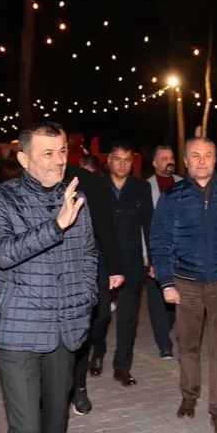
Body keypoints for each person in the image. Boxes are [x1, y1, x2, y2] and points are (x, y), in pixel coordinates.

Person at [0, 122, 96, 433]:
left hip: (65, 330)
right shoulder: (1, 197)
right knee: (27, 429)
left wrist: (86, 298)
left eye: (62, 151)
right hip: (19, 331)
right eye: (47, 153)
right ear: (24, 159)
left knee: (56, 421)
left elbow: (88, 254)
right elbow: (0, 252)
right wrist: (57, 225)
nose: (58, 160)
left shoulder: (77, 198)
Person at [150, 137, 217, 433]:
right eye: (195, 155)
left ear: (215, 159)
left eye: (207, 155)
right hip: (185, 284)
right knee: (188, 345)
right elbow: (159, 240)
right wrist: (166, 283)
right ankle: (189, 395)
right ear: (185, 161)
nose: (201, 161)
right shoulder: (172, 197)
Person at [64, 154, 125, 416]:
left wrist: (115, 267)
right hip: (45, 274)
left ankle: (79, 388)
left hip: (85, 266)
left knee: (85, 327)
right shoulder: (25, 185)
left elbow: (105, 225)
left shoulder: (86, 181)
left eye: (61, 149)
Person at [93, 142, 154, 386]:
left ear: (132, 163)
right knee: (100, 315)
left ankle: (122, 367)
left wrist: (153, 258)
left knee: (128, 319)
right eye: (117, 159)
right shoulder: (96, 187)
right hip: (102, 262)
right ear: (108, 161)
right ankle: (98, 351)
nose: (122, 164)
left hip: (131, 262)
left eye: (127, 160)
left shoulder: (141, 188)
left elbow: (149, 224)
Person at [142, 145, 181, 357]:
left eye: (171, 157)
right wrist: (145, 254)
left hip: (181, 254)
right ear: (155, 163)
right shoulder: (145, 187)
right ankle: (164, 344)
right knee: (157, 299)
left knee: (177, 297)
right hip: (156, 251)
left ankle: (170, 324)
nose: (169, 160)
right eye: (164, 158)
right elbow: (142, 224)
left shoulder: (184, 184)